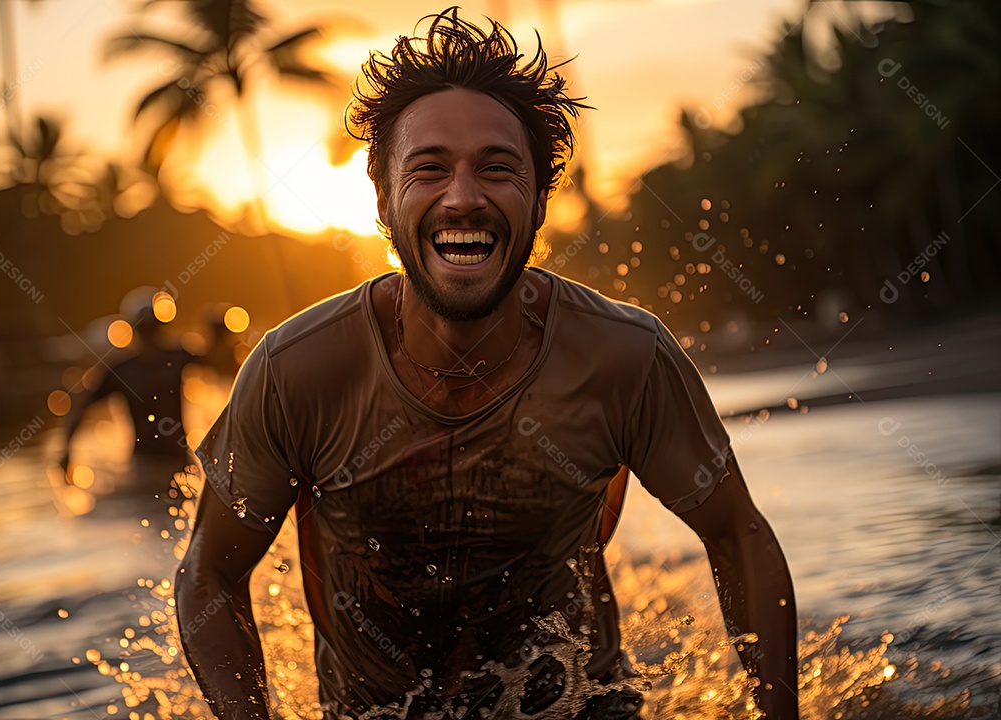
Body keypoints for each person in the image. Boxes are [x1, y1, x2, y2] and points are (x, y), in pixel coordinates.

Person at [176, 9, 799, 719]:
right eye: (430, 168)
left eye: (497, 169)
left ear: (538, 201)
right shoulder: (298, 370)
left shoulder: (624, 356)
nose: (463, 196)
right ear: (382, 199)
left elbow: (737, 531)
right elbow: (211, 575)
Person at [59, 305, 195, 502]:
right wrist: (66, 451)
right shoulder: (122, 371)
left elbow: (220, 363)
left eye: (153, 328)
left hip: (178, 459)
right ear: (135, 330)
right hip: (144, 463)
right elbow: (82, 406)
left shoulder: (176, 358)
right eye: (145, 329)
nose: (149, 336)